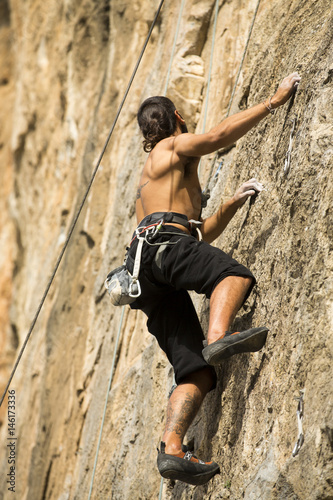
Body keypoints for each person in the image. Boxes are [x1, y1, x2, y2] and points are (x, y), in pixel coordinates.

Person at [126, 72, 301, 485]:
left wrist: (231, 204)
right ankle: (218, 335)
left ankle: (171, 446)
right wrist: (272, 102)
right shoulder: (172, 145)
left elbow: (197, 233)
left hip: (148, 268)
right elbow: (219, 135)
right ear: (178, 118)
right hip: (164, 248)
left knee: (196, 372)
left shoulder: (153, 179)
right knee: (232, 275)